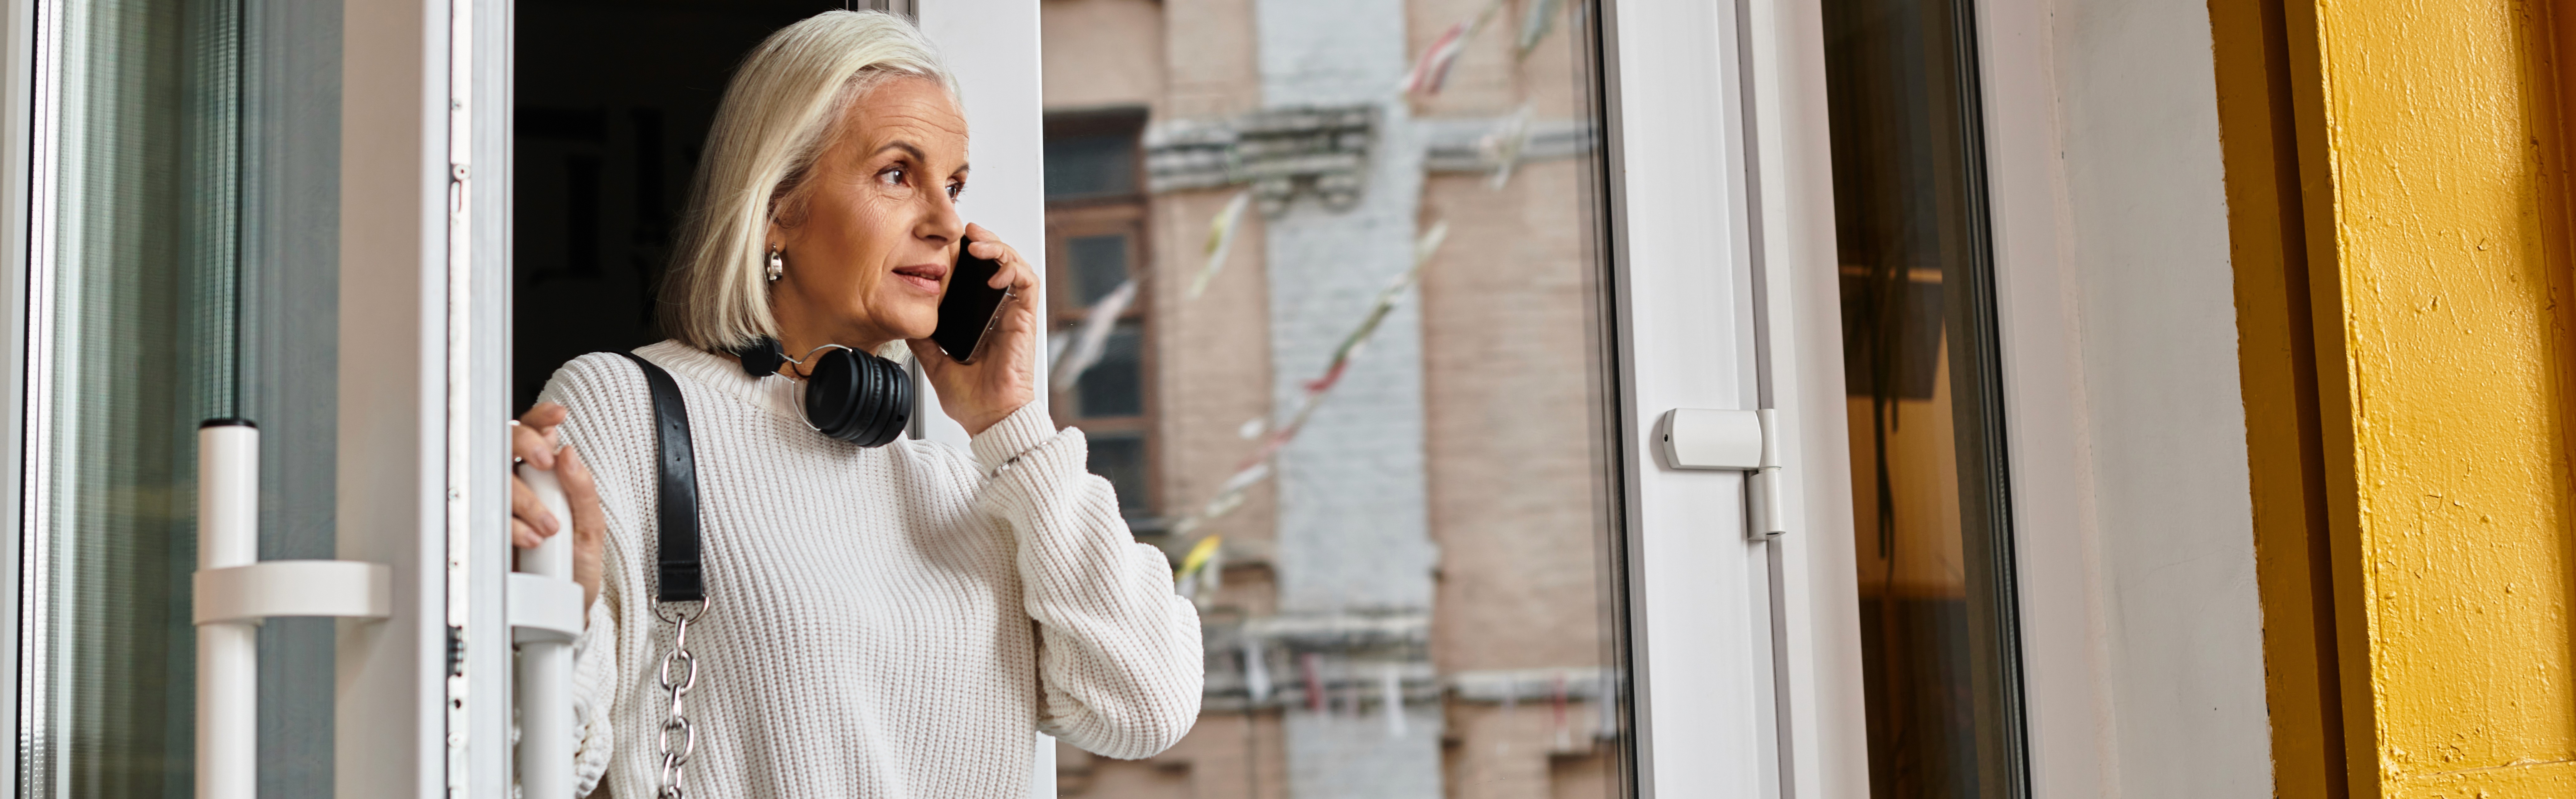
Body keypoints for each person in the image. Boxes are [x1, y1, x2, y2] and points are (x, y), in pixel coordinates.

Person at [505, 11, 1203, 797]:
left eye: (955, 185)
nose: (946, 223)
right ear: (778, 204)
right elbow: (534, 758)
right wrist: (547, 605)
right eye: (898, 174)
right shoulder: (631, 411)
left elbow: (1147, 707)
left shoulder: (970, 486)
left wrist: (1012, 425)